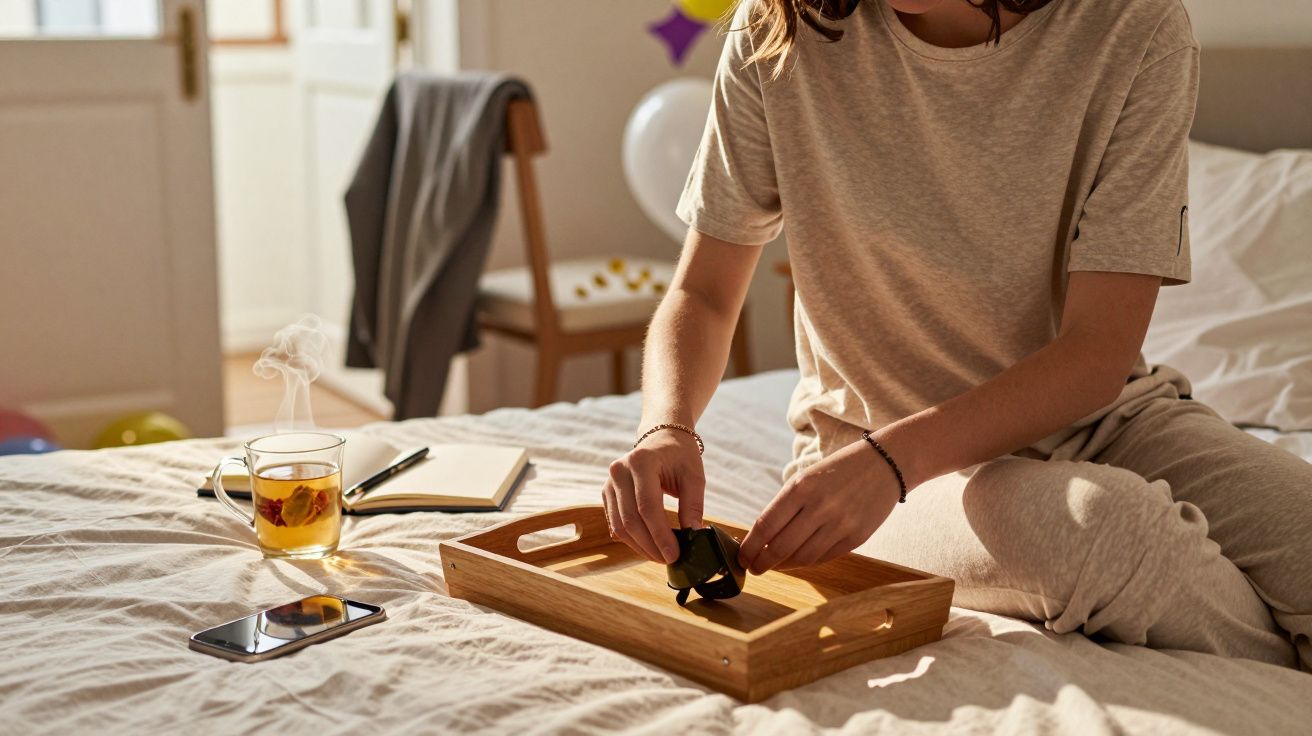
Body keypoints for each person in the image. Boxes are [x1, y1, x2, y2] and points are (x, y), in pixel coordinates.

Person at [601, 0, 1311, 670]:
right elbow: (703, 290)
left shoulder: (1133, 26)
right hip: (870, 475)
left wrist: (891, 460)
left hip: (1106, 422)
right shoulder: (780, 30)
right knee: (1104, 532)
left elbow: (1097, 354)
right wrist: (664, 426)